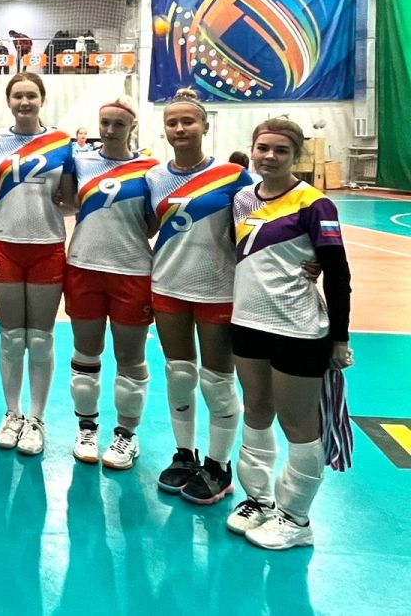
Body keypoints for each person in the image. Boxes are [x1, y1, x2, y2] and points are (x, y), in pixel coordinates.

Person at [227, 118, 353, 549]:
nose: (270, 156)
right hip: (247, 322)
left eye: (281, 150)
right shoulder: (242, 199)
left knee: (298, 422)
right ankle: (258, 500)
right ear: (252, 149)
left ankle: (296, 518)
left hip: (297, 328)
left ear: (295, 155)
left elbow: (337, 272)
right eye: (263, 147)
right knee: (256, 409)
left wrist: (340, 337)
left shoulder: (315, 204)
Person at [145, 88, 254, 505]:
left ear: (205, 126)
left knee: (217, 380)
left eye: (188, 121)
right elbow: (145, 227)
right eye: (172, 122)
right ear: (164, 129)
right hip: (168, 286)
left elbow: (255, 230)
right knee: (179, 373)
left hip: (217, 290)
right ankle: (185, 455)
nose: (180, 128)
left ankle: (219, 465)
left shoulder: (232, 175)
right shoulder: (155, 177)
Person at [0, 73, 76, 455]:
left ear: (42, 99)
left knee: (40, 337)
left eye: (31, 95)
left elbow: (70, 199)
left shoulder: (63, 142)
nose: (24, 101)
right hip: (4, 244)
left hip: (46, 246)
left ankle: (36, 419)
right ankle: (12, 413)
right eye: (18, 95)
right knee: (11, 336)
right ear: (9, 101)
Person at [65, 100, 158, 469]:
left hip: (132, 271)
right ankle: (86, 429)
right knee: (86, 353)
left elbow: (153, 223)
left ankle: (126, 435)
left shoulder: (151, 169)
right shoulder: (80, 161)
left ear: (131, 127)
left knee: (130, 358)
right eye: (105, 122)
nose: (110, 130)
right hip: (83, 267)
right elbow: (64, 199)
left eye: (119, 124)